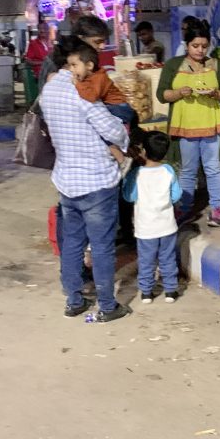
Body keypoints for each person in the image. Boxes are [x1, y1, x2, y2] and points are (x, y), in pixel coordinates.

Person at [41, 36, 131, 322]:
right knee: (102, 245)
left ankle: (74, 299)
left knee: (72, 243)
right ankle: (106, 305)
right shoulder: (81, 92)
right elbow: (114, 132)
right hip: (96, 181)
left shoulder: (48, 91)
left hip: (67, 179)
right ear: (78, 63)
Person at [157, 19, 220, 227]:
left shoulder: (217, 65)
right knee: (188, 169)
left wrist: (216, 93)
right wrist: (178, 93)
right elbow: (162, 94)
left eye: (204, 46)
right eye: (195, 46)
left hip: (212, 123)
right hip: (185, 126)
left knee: (213, 167)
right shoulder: (174, 65)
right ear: (187, 44)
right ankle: (185, 207)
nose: (200, 50)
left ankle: (217, 207)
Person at [122, 131, 182, 304]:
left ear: (144, 152)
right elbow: (176, 194)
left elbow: (129, 197)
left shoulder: (136, 174)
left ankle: (146, 292)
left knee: (146, 260)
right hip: (167, 225)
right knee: (167, 257)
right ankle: (170, 290)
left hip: (145, 227)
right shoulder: (168, 170)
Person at [61, 39, 133, 171]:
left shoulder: (99, 77)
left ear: (89, 65)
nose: (71, 70)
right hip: (115, 106)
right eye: (69, 66)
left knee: (102, 129)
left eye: (74, 65)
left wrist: (77, 84)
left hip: (119, 108)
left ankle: (122, 159)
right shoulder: (91, 76)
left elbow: (91, 97)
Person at [38, 15, 110, 89]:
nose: (102, 47)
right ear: (81, 38)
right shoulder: (55, 59)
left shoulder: (89, 57)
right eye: (97, 42)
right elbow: (44, 94)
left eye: (104, 42)